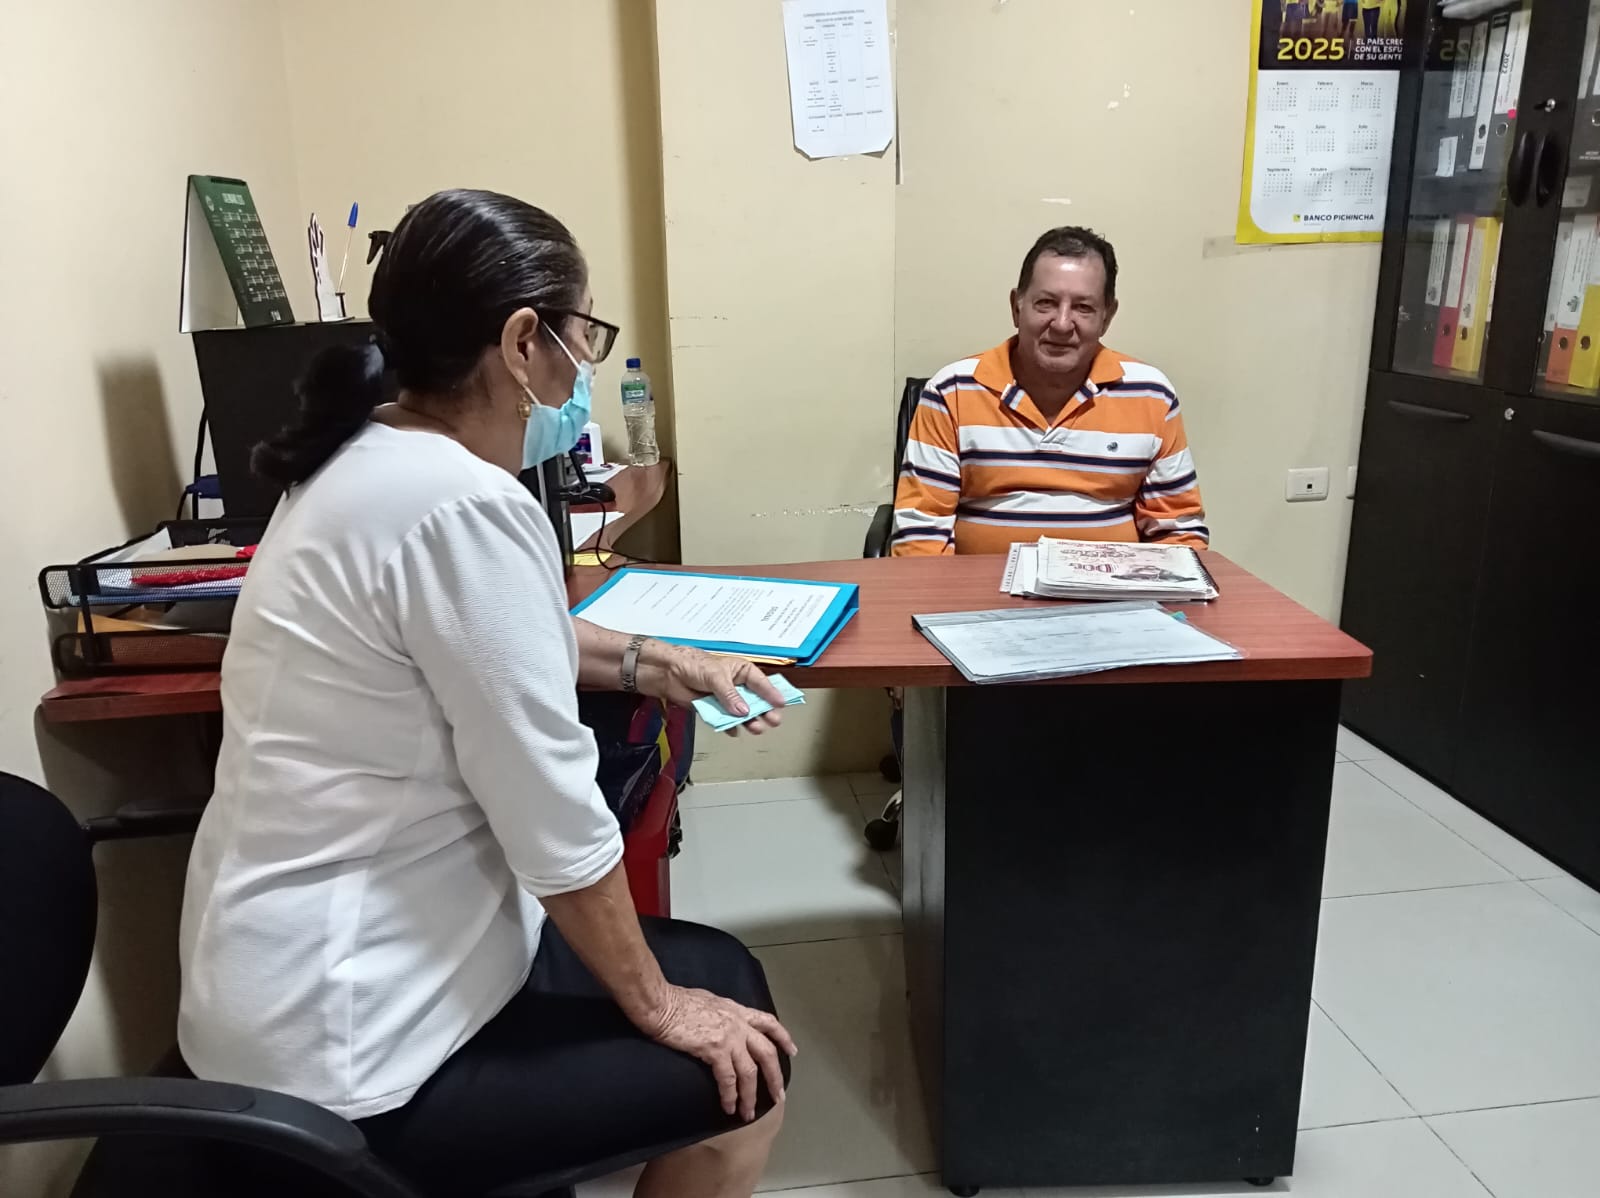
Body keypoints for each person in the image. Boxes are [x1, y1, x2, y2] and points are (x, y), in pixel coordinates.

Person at [177, 189, 795, 1198]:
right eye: (582, 336)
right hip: (355, 1050)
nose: (582, 368)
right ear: (519, 343)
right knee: (748, 1076)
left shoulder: (363, 458)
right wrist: (657, 1006)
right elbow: (554, 817)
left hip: (290, 992)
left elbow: (497, 642)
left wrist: (661, 662)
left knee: (726, 972)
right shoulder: (461, 504)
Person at [890, 226, 1208, 557]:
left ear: (1107, 317)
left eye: (1083, 307)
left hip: (1111, 588)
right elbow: (920, 537)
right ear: (1016, 307)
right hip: (979, 589)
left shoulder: (1151, 395)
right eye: (1046, 303)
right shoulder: (951, 391)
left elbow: (1178, 532)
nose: (1062, 324)